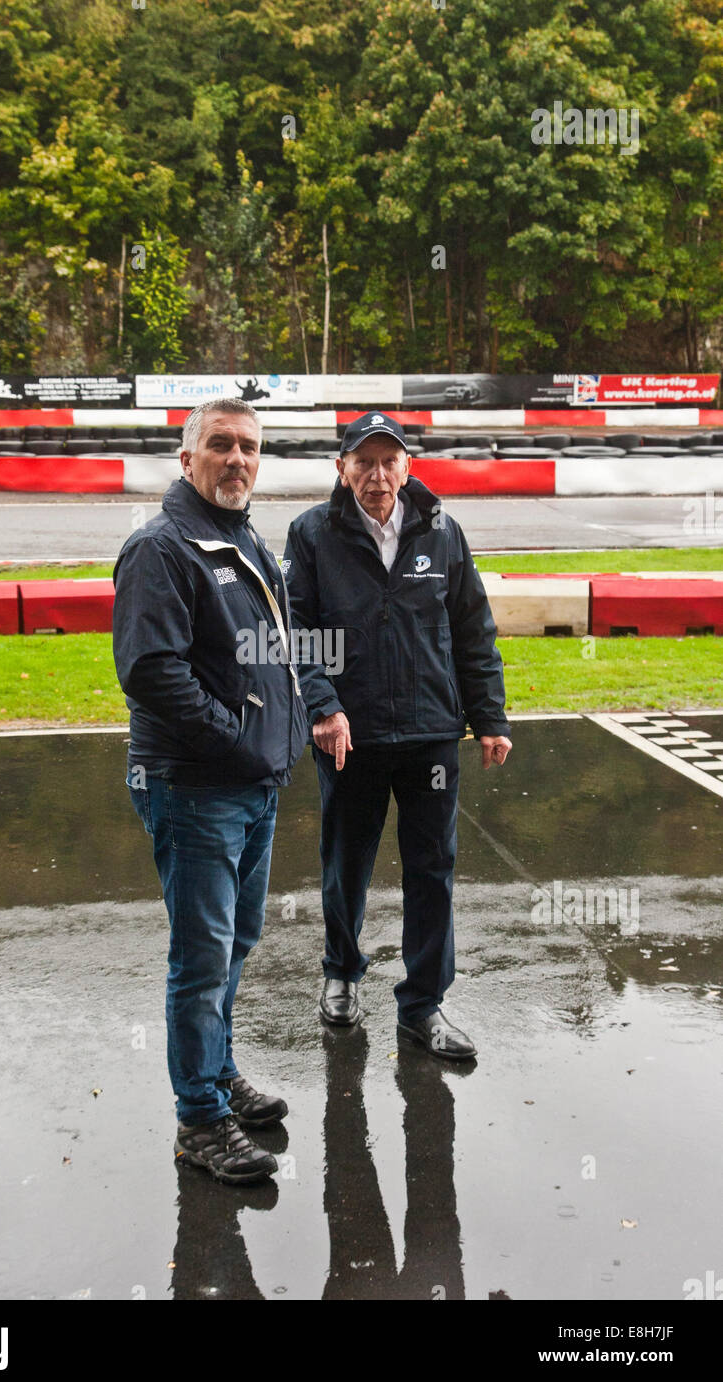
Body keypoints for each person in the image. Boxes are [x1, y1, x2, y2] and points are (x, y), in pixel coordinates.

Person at [113, 397, 308, 1183]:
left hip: (251, 783)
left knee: (237, 941)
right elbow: (152, 672)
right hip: (196, 787)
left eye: (249, 448)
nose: (237, 459)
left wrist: (284, 737)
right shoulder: (161, 547)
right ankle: (199, 1118)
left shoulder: (242, 535)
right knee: (200, 961)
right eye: (220, 445)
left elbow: (273, 654)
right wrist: (235, 740)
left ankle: (216, 1070)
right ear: (186, 456)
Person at [283, 410, 512, 1059]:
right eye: (365, 462)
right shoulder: (311, 535)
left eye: (390, 461)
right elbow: (296, 631)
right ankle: (341, 973)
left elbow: (473, 631)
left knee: (432, 868)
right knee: (346, 860)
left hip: (431, 733)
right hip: (346, 734)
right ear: (342, 468)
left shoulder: (443, 532)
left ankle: (423, 1006)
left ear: (408, 466)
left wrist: (489, 716)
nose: (378, 475)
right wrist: (323, 706)